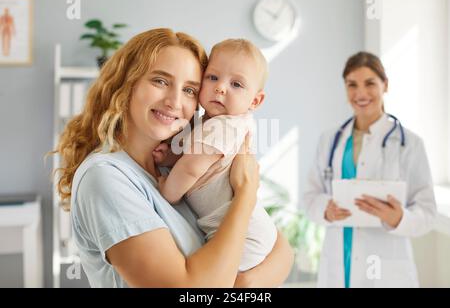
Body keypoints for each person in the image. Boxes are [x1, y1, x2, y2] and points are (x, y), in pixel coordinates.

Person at [53, 28, 293, 288]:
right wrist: (246, 193)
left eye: (190, 90)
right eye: (160, 81)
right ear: (126, 84)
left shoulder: (171, 167)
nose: (174, 101)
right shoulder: (106, 177)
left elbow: (283, 253)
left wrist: (243, 283)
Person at [303, 51, 437, 288]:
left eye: (370, 83)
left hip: (387, 269)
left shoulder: (410, 144)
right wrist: (326, 210)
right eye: (352, 85)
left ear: (385, 85)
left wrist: (399, 218)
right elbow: (310, 197)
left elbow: (427, 214)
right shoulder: (330, 140)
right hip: (338, 260)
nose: (360, 93)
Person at [157, 39, 277, 272]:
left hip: (246, 237)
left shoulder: (222, 126)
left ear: (255, 100)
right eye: (213, 78)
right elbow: (197, 158)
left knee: (209, 278)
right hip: (247, 228)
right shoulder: (217, 123)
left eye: (236, 84)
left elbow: (191, 168)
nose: (221, 87)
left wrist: (168, 191)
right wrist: (171, 156)